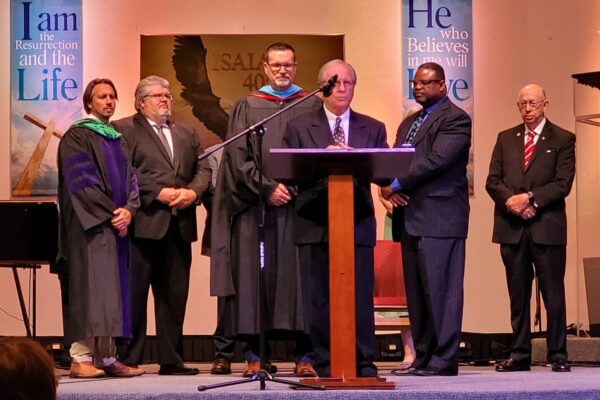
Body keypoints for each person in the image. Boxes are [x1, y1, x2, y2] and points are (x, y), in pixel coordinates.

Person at [211, 42, 319, 378]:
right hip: (256, 207)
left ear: (296, 67)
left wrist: (294, 189)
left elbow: (317, 155)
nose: (283, 70)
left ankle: (306, 356)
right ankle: (255, 354)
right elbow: (236, 158)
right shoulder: (249, 105)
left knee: (300, 282)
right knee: (256, 280)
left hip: (300, 208)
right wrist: (267, 187)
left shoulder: (312, 103)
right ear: (265, 67)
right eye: (276, 65)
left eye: (288, 65)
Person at [283, 59, 389, 378]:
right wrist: (324, 161)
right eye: (335, 83)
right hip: (314, 221)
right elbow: (291, 173)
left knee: (358, 294)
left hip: (355, 222)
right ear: (321, 89)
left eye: (348, 83)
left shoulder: (373, 127)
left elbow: (383, 172)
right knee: (317, 295)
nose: (342, 89)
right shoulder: (298, 126)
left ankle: (363, 359)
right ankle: (323, 358)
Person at [112, 75, 211, 375]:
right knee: (135, 294)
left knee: (174, 296)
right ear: (141, 102)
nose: (166, 99)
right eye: (158, 95)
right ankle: (130, 358)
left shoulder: (186, 132)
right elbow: (123, 170)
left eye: (167, 95)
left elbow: (203, 167)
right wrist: (157, 192)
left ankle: (171, 359)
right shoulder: (123, 129)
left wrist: (193, 192)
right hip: (142, 226)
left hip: (179, 226)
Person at [381, 62, 471, 376]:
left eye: (426, 82)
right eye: (415, 83)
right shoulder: (409, 123)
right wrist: (386, 187)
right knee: (418, 293)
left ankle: (445, 359)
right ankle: (423, 356)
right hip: (410, 217)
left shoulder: (456, 119)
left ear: (443, 85)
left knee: (441, 290)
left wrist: (398, 184)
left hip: (440, 217)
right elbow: (394, 158)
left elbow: (436, 161)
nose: (419, 87)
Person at [56, 78, 143, 378]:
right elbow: (82, 184)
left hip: (115, 225)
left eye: (112, 96)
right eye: (101, 97)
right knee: (89, 288)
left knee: (112, 291)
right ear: (89, 102)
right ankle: (81, 358)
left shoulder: (118, 137)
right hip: (89, 227)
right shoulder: (77, 137)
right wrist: (112, 214)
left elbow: (133, 179)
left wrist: (129, 210)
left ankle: (107, 357)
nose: (108, 101)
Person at [486, 84, 575, 373]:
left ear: (545, 105)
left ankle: (558, 353)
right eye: (523, 103)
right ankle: (519, 354)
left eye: (533, 103)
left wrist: (531, 198)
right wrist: (512, 203)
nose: (527, 108)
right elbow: (492, 180)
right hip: (512, 227)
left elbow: (562, 183)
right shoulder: (505, 138)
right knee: (518, 294)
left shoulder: (562, 138)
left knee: (553, 294)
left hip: (546, 227)